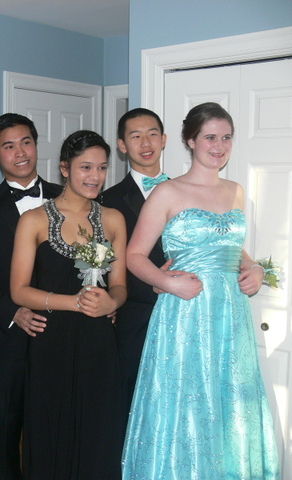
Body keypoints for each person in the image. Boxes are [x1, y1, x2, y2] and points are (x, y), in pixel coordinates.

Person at [122, 102, 279, 478]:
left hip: (230, 316)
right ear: (191, 141)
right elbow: (134, 256)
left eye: (227, 137)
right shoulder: (167, 192)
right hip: (185, 313)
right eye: (210, 137)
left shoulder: (236, 191)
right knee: (187, 399)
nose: (219, 146)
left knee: (229, 398)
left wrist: (255, 268)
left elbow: (232, 248)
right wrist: (167, 282)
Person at [11, 130, 127, 479]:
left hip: (99, 342)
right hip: (51, 340)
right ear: (65, 168)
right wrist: (73, 303)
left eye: (102, 168)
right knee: (51, 428)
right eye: (85, 167)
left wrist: (111, 302)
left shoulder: (114, 219)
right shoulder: (34, 220)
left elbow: (120, 286)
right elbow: (18, 291)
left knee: (98, 428)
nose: (95, 176)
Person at [0, 113, 62, 480]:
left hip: (63, 333)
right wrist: (13, 313)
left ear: (36, 145)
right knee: (6, 429)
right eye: (9, 146)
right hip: (10, 337)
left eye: (26, 142)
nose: (20, 153)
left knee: (57, 424)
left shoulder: (67, 197)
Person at [101, 108, 190, 417]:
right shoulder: (107, 201)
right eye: (135, 136)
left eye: (152, 134)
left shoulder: (188, 192)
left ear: (164, 139)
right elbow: (105, 265)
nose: (146, 143)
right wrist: (153, 285)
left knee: (182, 399)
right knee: (135, 403)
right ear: (122, 145)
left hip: (187, 311)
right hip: (136, 317)